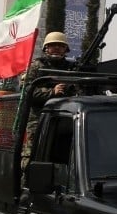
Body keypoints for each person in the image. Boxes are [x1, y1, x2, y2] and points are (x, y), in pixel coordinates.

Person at [20, 31, 77, 169]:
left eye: (60, 46)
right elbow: (27, 91)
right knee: (32, 157)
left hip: (65, 119)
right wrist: (52, 92)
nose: (57, 48)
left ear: (66, 49)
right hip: (39, 119)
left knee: (65, 157)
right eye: (53, 45)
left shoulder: (71, 68)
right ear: (46, 48)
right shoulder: (37, 66)